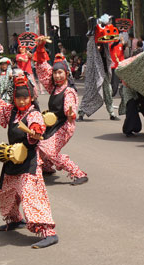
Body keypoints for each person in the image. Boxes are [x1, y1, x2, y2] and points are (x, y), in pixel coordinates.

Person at [0, 70, 58, 249]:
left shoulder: (33, 114)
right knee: (5, 193)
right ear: (14, 98)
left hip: (29, 162)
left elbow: (37, 127)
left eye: (25, 97)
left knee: (31, 196)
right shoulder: (11, 112)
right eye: (18, 97)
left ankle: (48, 232)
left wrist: (36, 132)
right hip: (12, 159)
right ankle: (15, 219)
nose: (22, 101)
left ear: (31, 98)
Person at [34, 37, 89, 185]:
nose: (57, 75)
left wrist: (70, 113)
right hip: (54, 124)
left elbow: (70, 108)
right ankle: (46, 167)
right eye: (55, 73)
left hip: (65, 125)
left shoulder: (69, 91)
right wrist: (40, 47)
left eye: (60, 72)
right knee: (36, 143)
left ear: (66, 73)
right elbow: (42, 68)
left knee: (49, 150)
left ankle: (78, 173)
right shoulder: (55, 87)